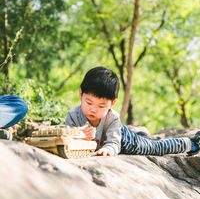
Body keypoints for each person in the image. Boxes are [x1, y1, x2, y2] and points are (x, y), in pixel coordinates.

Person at [66, 66, 200, 157]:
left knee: (154, 147)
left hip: (125, 140)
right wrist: (79, 137)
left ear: (112, 104)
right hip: (118, 135)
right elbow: (65, 141)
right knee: (146, 140)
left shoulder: (112, 118)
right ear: (80, 94)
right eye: (89, 103)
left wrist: (107, 150)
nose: (93, 109)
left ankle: (191, 143)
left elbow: (114, 143)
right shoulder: (73, 117)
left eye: (101, 106)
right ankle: (142, 135)